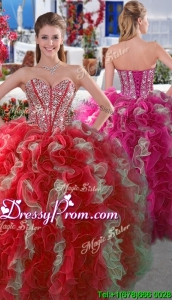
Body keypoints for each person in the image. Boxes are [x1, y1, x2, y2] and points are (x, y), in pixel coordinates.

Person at [0, 12, 151, 300]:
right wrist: (8, 132)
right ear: (37, 38)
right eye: (45, 37)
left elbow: (107, 107)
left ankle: (66, 280)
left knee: (71, 218)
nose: (50, 43)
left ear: (62, 38)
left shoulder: (76, 72)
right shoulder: (25, 74)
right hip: (30, 148)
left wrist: (89, 134)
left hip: (68, 149)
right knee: (26, 216)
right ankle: (32, 281)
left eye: (55, 37)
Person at [74, 1, 172, 243]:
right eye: (147, 18)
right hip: (151, 109)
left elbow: (107, 91)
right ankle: (150, 218)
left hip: (122, 109)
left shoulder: (113, 52)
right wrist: (166, 97)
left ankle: (127, 217)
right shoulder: (154, 47)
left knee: (124, 164)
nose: (148, 23)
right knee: (153, 164)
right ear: (139, 21)